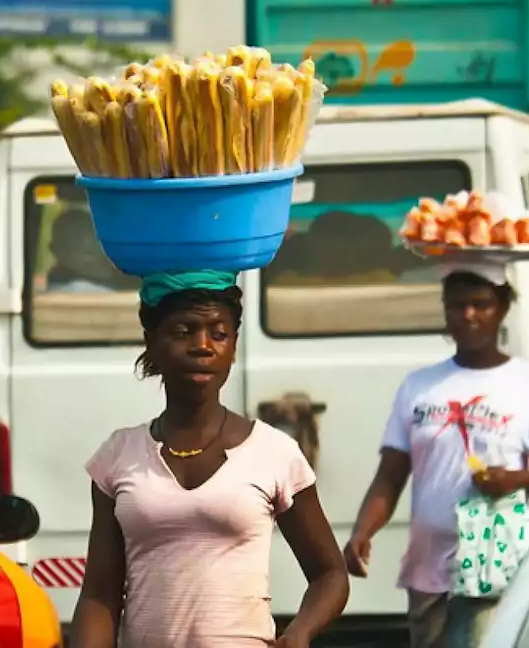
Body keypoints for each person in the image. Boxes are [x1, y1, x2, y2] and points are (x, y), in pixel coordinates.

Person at [71, 271, 349, 647]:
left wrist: (299, 633)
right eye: (183, 332)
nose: (203, 346)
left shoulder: (273, 452)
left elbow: (330, 574)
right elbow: (99, 595)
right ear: (151, 341)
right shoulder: (119, 456)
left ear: (233, 346)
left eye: (219, 334)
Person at [342, 260, 529, 648]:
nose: (468, 315)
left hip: (494, 567)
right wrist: (362, 532)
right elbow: (390, 474)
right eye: (456, 305)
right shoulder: (419, 387)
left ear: (502, 308)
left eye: (480, 304)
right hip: (427, 572)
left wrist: (516, 481)